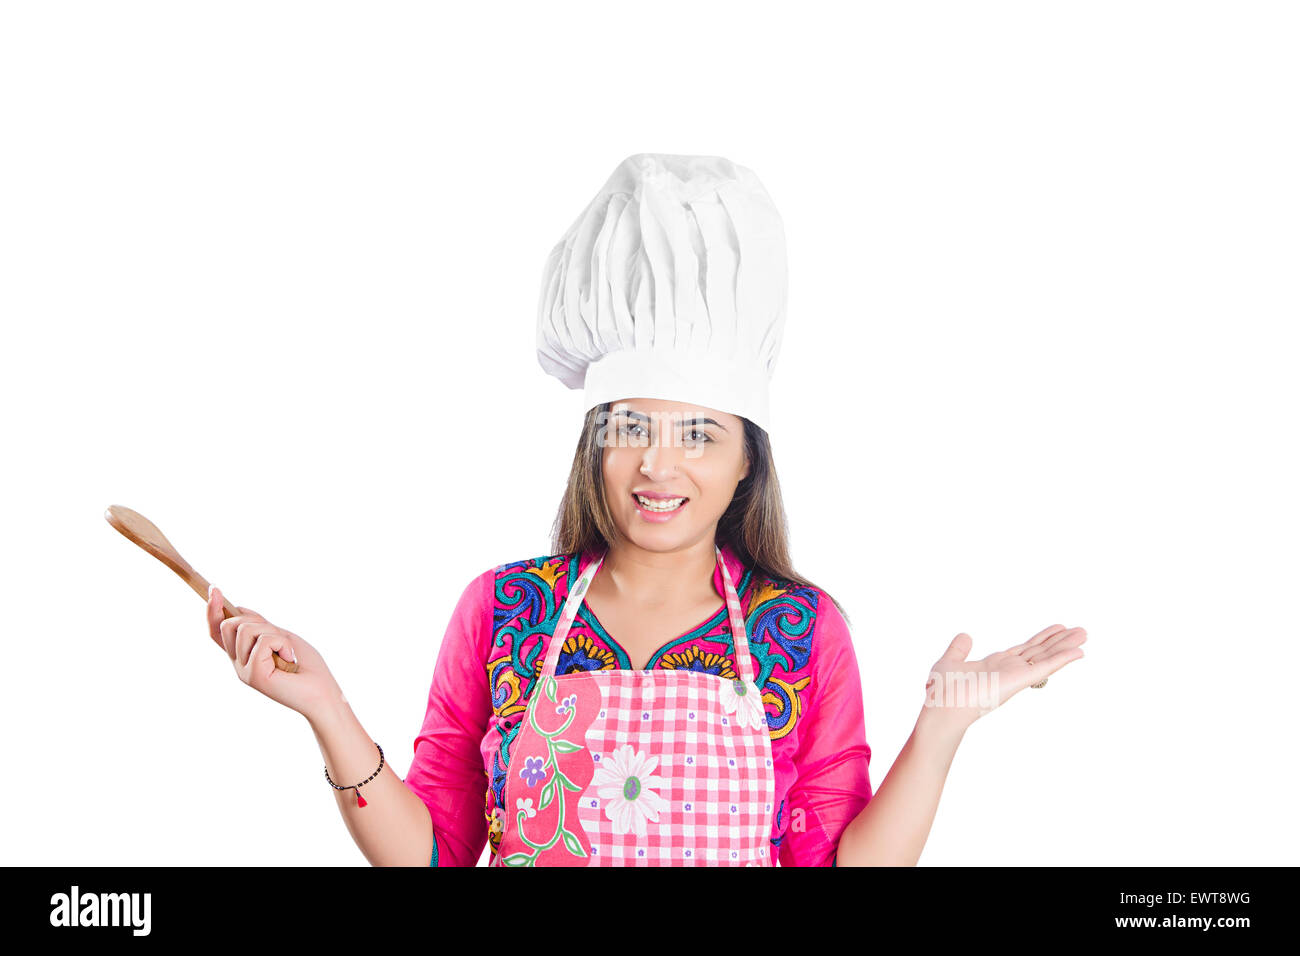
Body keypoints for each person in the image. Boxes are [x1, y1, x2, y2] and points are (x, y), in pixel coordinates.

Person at [207, 154, 1087, 866]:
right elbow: (433, 853)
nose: (658, 465)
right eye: (631, 427)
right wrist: (324, 705)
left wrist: (941, 728)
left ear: (748, 459)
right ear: (594, 439)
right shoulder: (503, 613)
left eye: (700, 433)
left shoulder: (800, 629)